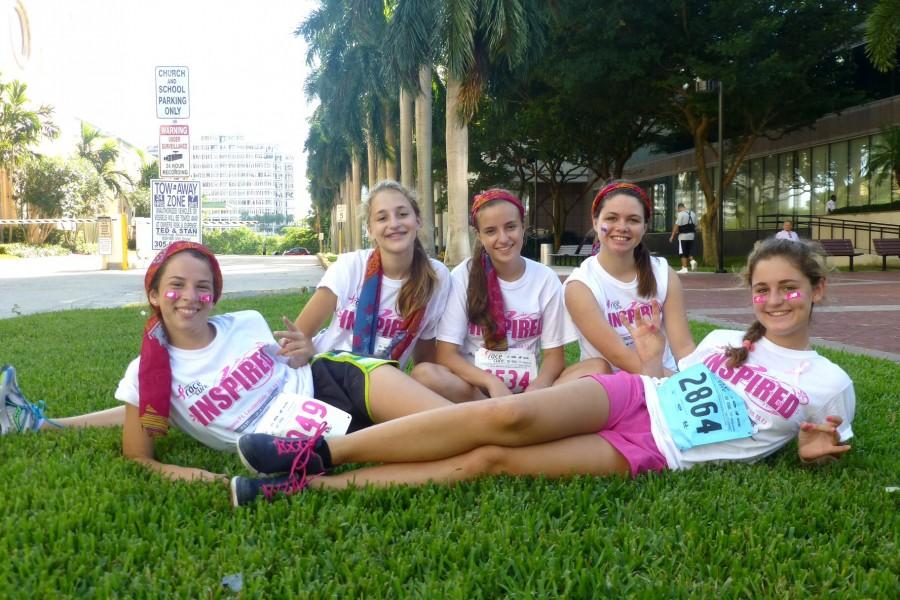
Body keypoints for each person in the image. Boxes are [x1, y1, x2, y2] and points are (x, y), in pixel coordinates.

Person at [231, 238, 855, 506]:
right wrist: (648, 351)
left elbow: (817, 448)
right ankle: (318, 453)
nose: (774, 300)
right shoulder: (726, 339)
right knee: (505, 414)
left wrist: (809, 452)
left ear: (818, 291)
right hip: (635, 395)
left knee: (490, 460)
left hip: (656, 448)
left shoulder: (829, 384)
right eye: (764, 289)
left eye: (790, 290)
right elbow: (672, 375)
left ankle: (299, 487)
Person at [1, 242, 456, 485]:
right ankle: (39, 423)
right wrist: (204, 479)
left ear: (215, 295)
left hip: (338, 380)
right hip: (293, 441)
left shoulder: (247, 322)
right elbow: (140, 455)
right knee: (454, 446)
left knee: (455, 425)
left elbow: (292, 357)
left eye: (204, 287)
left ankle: (511, 415)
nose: (191, 297)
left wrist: (307, 348)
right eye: (176, 285)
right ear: (155, 294)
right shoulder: (151, 379)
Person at [410, 189, 576, 401]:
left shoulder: (545, 279)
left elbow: (554, 356)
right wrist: (491, 383)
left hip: (529, 392)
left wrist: (537, 388)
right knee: (424, 374)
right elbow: (446, 354)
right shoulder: (464, 276)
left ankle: (509, 416)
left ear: (523, 227)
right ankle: (499, 415)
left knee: (594, 368)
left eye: (511, 227)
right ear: (479, 235)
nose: (503, 238)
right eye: (490, 231)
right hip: (475, 391)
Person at [282, 180, 451, 371]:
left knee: (425, 374)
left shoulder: (437, 277)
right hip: (327, 374)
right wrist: (308, 351)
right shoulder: (350, 266)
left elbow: (425, 359)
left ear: (417, 220)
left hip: (384, 387)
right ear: (370, 230)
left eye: (402, 214)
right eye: (382, 218)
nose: (394, 224)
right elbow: (299, 334)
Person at [558, 181, 695, 382]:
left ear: (645, 227)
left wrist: (701, 383)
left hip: (664, 383)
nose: (622, 227)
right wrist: (682, 384)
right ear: (595, 222)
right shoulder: (580, 285)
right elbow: (620, 357)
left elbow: (684, 347)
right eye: (612, 218)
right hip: (610, 387)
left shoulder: (664, 274)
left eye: (633, 220)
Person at [669, 202, 698, 273]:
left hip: (683, 236)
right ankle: (692, 261)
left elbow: (676, 225)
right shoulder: (693, 213)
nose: (678, 211)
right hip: (692, 235)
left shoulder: (681, 214)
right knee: (688, 251)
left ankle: (684, 268)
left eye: (677, 210)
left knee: (682, 252)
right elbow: (696, 225)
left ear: (679, 208)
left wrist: (672, 236)